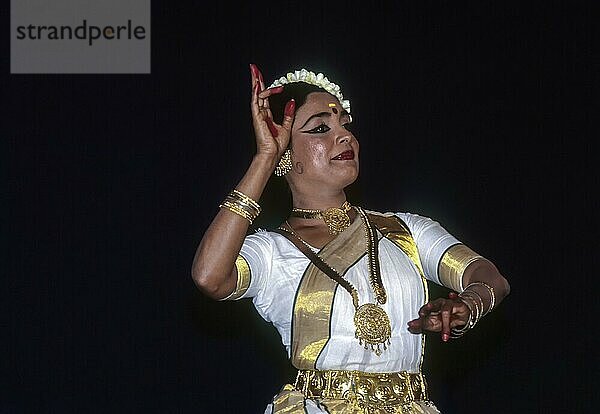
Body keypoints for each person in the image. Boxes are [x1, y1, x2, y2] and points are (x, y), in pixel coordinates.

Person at [191, 64, 510, 413]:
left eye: (345, 124)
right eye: (321, 129)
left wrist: (469, 304)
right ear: (285, 153)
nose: (345, 137)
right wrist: (265, 158)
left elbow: (488, 275)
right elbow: (210, 277)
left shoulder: (404, 231)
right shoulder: (271, 251)